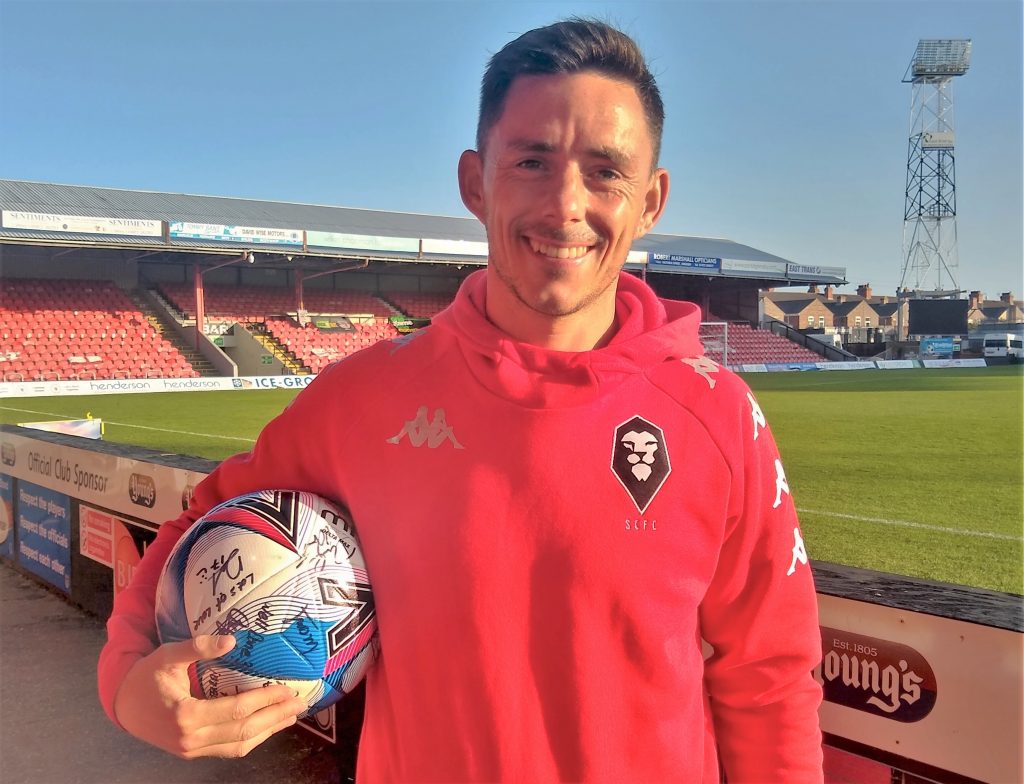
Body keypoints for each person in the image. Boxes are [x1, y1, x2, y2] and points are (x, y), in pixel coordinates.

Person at [99, 18, 824, 782]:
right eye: (533, 162)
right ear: (476, 183)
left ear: (650, 202)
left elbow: (769, 679)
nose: (565, 205)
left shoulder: (718, 417)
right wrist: (125, 681)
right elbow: (198, 525)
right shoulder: (364, 400)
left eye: (605, 171)